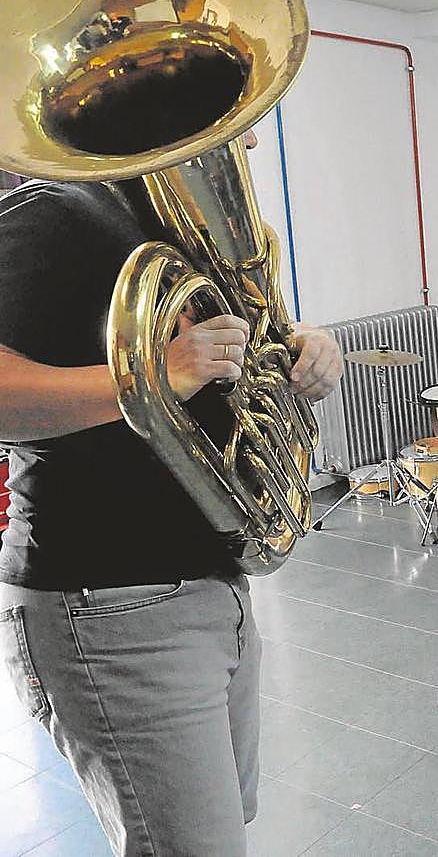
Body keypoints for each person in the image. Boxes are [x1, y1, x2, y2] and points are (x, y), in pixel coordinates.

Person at [0, 130, 345, 856]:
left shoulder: (168, 226)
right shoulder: (47, 209)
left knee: (213, 832)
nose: (245, 135)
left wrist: (306, 345)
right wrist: (152, 375)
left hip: (211, 582)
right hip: (109, 601)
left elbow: (250, 341)